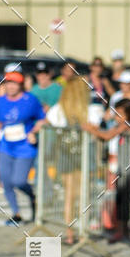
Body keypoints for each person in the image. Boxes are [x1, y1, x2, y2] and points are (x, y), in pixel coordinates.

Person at [0, 66, 46, 223]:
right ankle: (16, 213)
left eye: (14, 83)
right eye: (8, 83)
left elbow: (42, 118)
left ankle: (32, 197)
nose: (11, 86)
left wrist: (34, 131)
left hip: (25, 146)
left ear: (21, 85)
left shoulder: (30, 100)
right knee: (6, 181)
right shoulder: (0, 101)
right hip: (6, 145)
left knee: (19, 181)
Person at [45, 78, 99, 245]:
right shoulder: (91, 110)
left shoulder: (59, 109)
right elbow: (95, 131)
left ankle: (70, 234)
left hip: (66, 153)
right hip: (84, 154)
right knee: (84, 194)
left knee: (69, 195)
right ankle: (82, 233)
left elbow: (48, 122)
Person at [85, 98, 130, 242]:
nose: (116, 117)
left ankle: (123, 232)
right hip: (123, 169)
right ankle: (122, 231)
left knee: (124, 201)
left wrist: (91, 129)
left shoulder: (127, 125)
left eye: (120, 114)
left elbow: (107, 136)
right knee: (121, 200)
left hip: (129, 171)